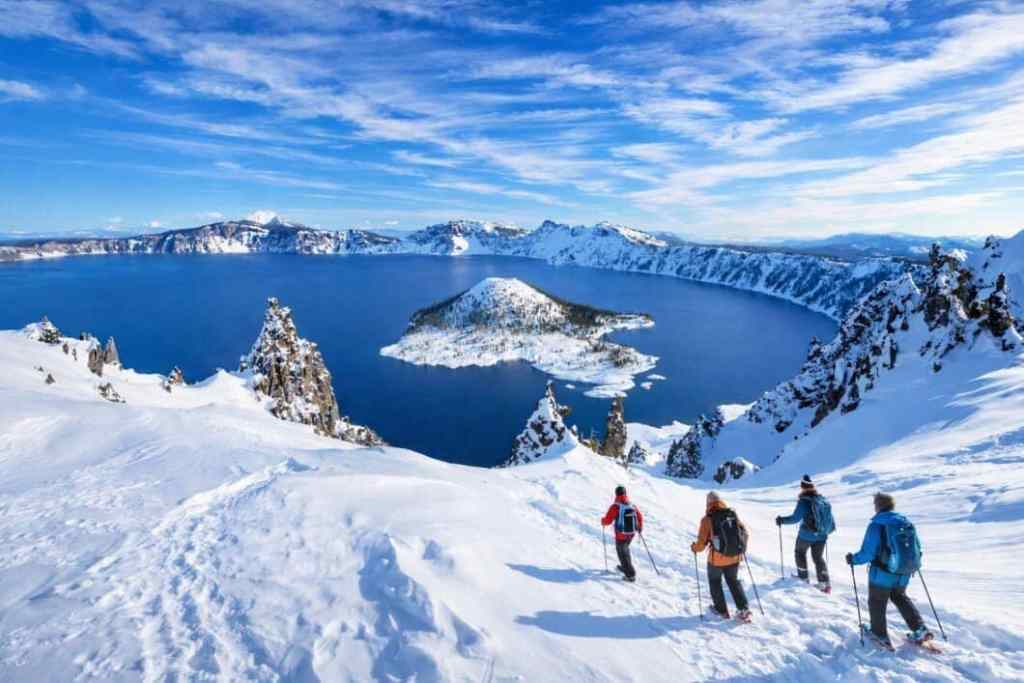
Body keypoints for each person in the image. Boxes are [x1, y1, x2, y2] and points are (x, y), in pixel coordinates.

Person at [846, 492, 933, 649]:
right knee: (900, 597)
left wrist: (853, 559)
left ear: (878, 506)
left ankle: (879, 634)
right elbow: (917, 549)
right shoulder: (906, 523)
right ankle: (920, 629)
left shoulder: (877, 525)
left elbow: (868, 552)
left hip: (882, 574)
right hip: (904, 572)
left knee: (877, 601)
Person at [691, 491, 752, 621]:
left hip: (716, 560)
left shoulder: (707, 519)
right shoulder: (732, 514)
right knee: (733, 581)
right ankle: (744, 609)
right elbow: (744, 533)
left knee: (715, 582)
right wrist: (741, 549)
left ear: (708, 503)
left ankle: (721, 611)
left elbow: (701, 545)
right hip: (735, 557)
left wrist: (693, 548)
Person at [776, 474, 834, 592]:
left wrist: (781, 520)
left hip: (807, 534)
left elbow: (795, 518)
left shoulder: (804, 502)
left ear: (802, 487)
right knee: (818, 557)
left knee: (800, 552)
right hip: (822, 534)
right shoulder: (821, 499)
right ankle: (825, 583)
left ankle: (803, 578)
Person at [601, 485, 644, 582]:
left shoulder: (616, 506)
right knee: (625, 551)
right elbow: (640, 516)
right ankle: (625, 567)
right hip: (631, 534)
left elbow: (608, 520)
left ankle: (630, 574)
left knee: (622, 553)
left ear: (616, 494)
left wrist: (602, 521)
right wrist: (640, 527)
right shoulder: (631, 505)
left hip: (621, 535)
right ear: (625, 493)